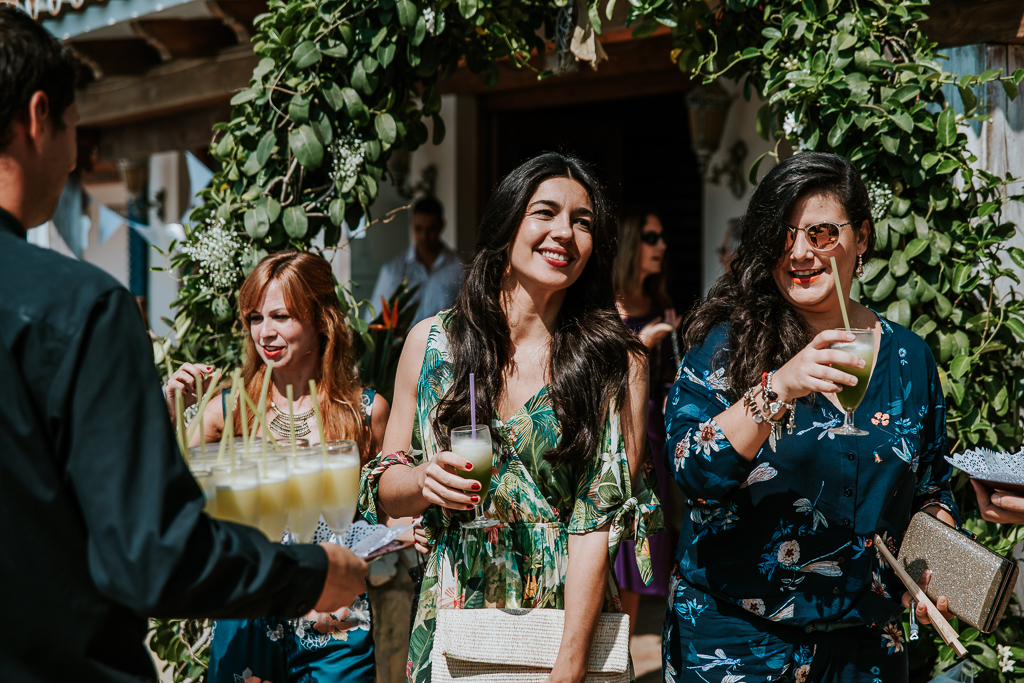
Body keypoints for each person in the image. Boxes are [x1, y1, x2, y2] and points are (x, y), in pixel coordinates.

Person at [0, 6, 366, 681]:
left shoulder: (357, 408)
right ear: (38, 116)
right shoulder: (79, 307)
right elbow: (150, 548)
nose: (77, 154)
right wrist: (312, 572)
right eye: (79, 127)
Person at [359, 152, 663, 683]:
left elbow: (597, 526)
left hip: (568, 625)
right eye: (545, 212)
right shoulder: (430, 343)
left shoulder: (618, 363)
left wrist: (568, 670)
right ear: (506, 224)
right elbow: (384, 488)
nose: (564, 232)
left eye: (582, 221)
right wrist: (423, 482)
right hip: (452, 615)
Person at [662, 152, 957, 683]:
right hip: (737, 643)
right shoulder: (726, 345)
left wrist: (936, 564)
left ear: (861, 237)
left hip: (864, 652)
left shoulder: (910, 360)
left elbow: (932, 488)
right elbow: (691, 473)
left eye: (821, 234)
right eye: (784, 235)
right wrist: (778, 387)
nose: (799, 253)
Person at [165, 251, 389, 683]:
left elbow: (389, 520)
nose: (264, 332)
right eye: (255, 317)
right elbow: (171, 503)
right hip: (248, 615)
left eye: (282, 316)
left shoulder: (365, 412)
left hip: (336, 626)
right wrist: (173, 413)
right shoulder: (227, 412)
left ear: (322, 320)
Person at [611, 208, 678, 636]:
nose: (661, 246)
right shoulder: (605, 307)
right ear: (633, 242)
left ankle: (624, 656)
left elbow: (672, 378)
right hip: (613, 428)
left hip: (654, 433)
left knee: (640, 538)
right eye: (652, 237)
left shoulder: (663, 305)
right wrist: (643, 342)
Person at [369, 195, 464, 325]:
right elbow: (374, 318)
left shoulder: (459, 268)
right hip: (403, 345)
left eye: (431, 229)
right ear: (411, 224)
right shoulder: (393, 270)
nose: (424, 236)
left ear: (441, 226)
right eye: (418, 228)